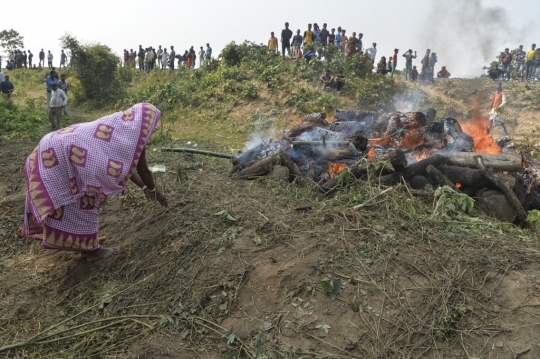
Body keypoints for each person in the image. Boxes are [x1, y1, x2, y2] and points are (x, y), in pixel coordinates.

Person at [21, 103, 168, 261]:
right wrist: (155, 192)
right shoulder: (130, 135)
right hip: (59, 153)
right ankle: (92, 251)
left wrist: (146, 187)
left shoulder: (125, 129)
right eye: (152, 124)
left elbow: (128, 166)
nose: (152, 129)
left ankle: (85, 243)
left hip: (54, 146)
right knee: (86, 196)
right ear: (144, 122)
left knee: (80, 199)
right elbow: (143, 170)